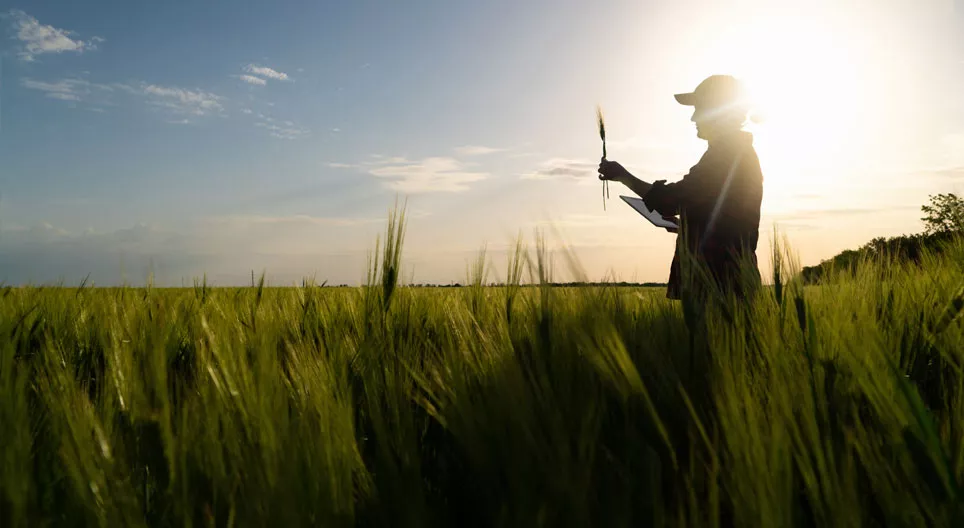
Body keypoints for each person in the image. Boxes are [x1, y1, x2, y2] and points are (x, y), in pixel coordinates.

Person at [598, 74, 764, 300]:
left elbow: (674, 199)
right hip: (725, 280)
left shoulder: (727, 155)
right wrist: (688, 225)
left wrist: (623, 176)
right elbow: (723, 213)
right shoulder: (731, 152)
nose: (693, 118)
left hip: (719, 282)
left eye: (700, 108)